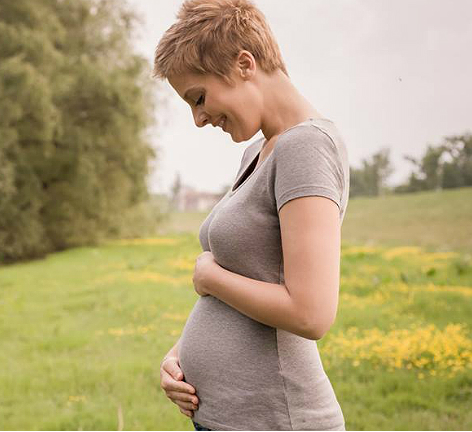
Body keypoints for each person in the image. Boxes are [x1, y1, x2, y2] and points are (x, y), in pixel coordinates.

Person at [153, 0, 350, 430]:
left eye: (199, 98)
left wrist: (210, 278)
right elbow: (254, 278)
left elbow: (311, 313)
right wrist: (180, 354)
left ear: (244, 64)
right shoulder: (259, 152)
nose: (198, 119)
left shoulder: (305, 146)